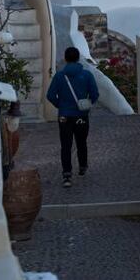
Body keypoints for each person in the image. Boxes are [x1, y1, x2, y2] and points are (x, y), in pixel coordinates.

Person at [46, 47, 100, 188]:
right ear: (78, 58)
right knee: (81, 142)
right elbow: (95, 94)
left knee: (66, 145)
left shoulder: (59, 76)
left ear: (65, 58)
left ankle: (67, 174)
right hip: (81, 115)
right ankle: (82, 167)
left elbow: (50, 95)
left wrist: (61, 106)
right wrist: (86, 104)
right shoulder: (87, 75)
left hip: (64, 116)